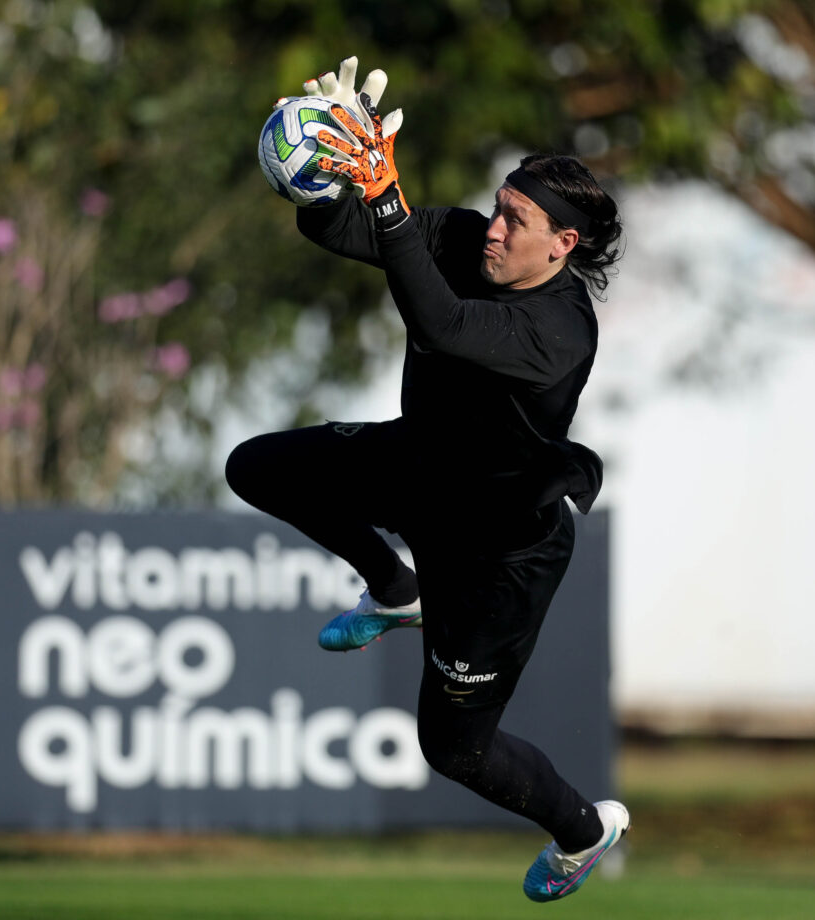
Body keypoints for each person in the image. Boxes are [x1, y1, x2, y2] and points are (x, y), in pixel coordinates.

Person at [226, 58, 627, 902]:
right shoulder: (461, 239)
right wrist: (325, 163)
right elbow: (341, 233)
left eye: (516, 222)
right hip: (418, 470)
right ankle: (392, 585)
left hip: (497, 551)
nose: (494, 228)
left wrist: (387, 198)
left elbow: (440, 327)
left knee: (454, 752)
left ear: (563, 245)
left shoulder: (559, 333)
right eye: (498, 206)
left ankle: (585, 832)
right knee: (256, 467)